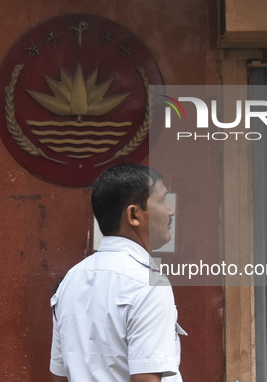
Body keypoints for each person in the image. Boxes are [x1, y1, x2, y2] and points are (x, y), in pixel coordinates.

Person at [50, 163, 185, 382]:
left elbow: (60, 375)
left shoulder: (71, 280)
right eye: (162, 200)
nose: (171, 210)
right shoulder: (148, 282)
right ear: (134, 215)